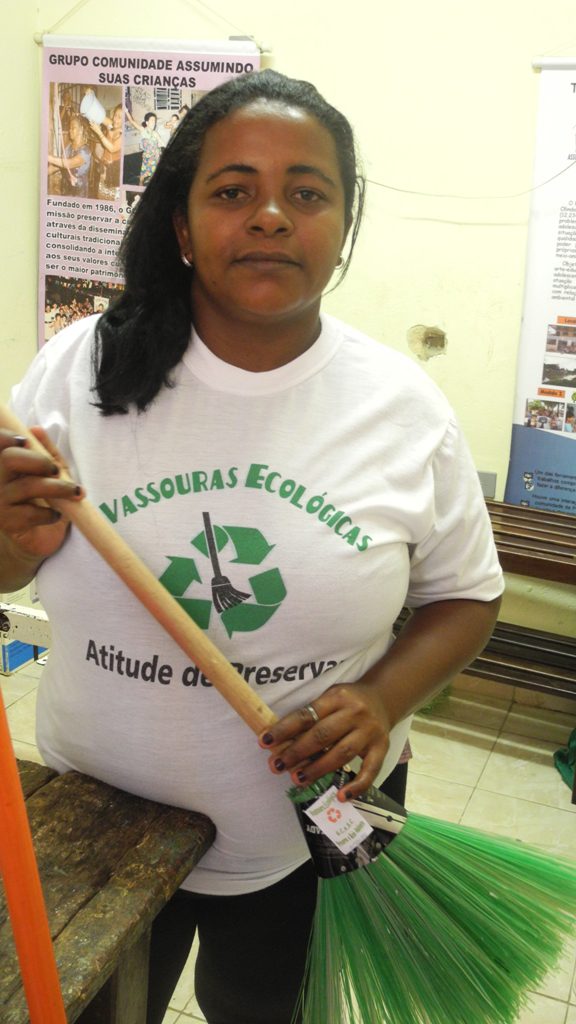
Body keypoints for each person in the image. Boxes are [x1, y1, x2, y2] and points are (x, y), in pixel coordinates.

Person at [0, 69, 503, 1024]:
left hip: (303, 837)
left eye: (305, 192)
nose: (270, 215)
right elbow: (7, 564)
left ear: (343, 229)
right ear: (183, 228)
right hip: (103, 823)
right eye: (233, 191)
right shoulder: (80, 368)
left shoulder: (403, 411)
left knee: (263, 1012)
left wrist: (382, 698)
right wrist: (6, 544)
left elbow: (466, 596)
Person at [47, 112, 92, 197]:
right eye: (69, 128)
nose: (70, 130)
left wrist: (47, 157)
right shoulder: (69, 147)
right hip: (66, 189)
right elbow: (59, 164)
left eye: (73, 128)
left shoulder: (86, 151)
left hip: (78, 193)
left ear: (81, 130)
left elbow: (69, 163)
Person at [89, 103, 123, 200]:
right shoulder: (111, 125)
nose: (116, 119)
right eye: (115, 115)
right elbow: (100, 116)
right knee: (102, 196)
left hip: (115, 170)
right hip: (105, 166)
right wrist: (91, 95)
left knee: (112, 199)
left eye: (120, 117)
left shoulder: (123, 133)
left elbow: (112, 148)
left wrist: (99, 132)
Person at [125, 107, 162, 185]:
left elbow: (161, 143)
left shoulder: (155, 133)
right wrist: (126, 111)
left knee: (154, 174)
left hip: (155, 157)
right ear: (147, 122)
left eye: (154, 121)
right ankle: (140, 184)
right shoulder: (143, 130)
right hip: (148, 158)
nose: (154, 122)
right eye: (152, 120)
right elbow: (132, 121)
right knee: (143, 174)